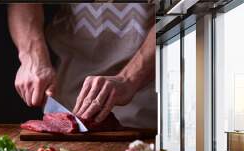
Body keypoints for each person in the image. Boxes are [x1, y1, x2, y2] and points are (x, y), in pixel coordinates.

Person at [8, 3, 156, 128]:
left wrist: (129, 79)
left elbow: (176, 12)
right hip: (68, 96)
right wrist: (32, 57)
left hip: (148, 101)